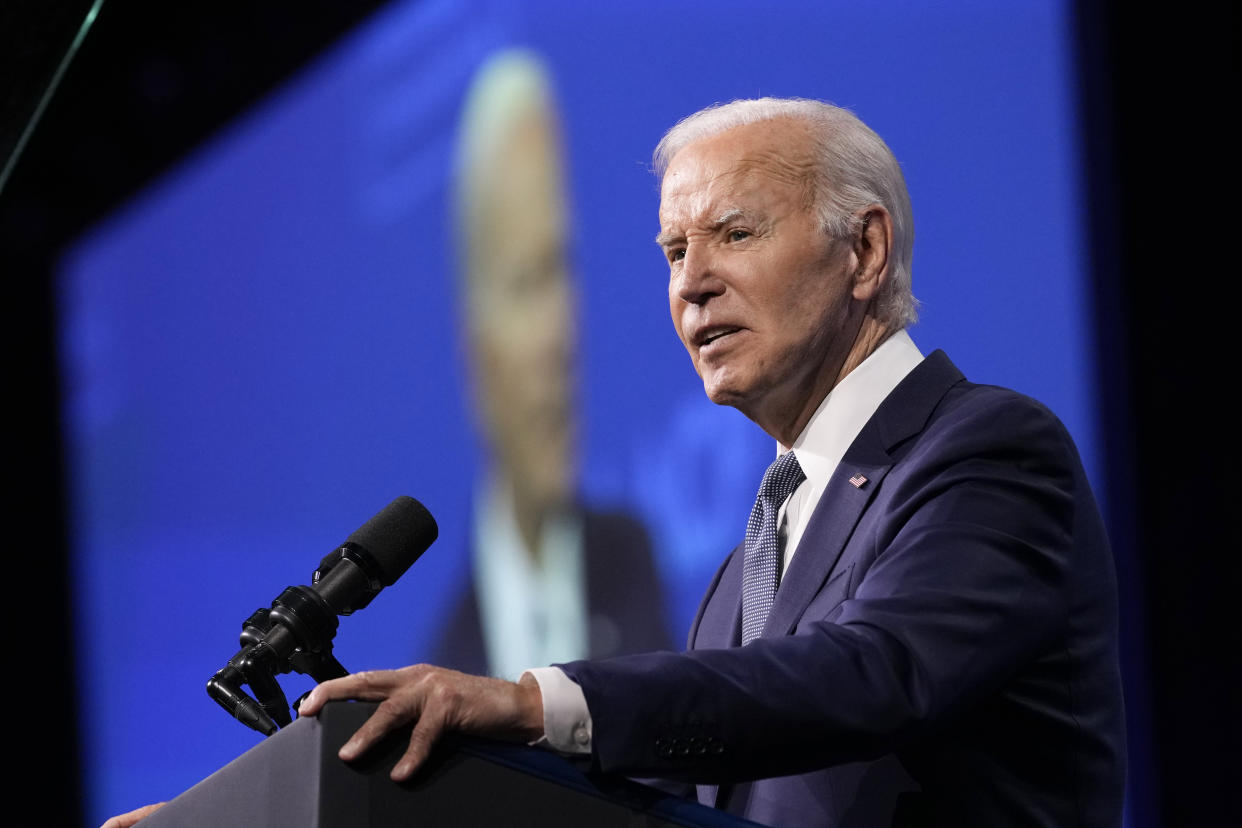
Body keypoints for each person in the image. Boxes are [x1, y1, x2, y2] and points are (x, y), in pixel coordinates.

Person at [107, 97, 1126, 827]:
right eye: (673, 251)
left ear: (864, 252)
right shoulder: (741, 570)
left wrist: (530, 701)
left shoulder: (985, 449)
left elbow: (873, 676)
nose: (692, 286)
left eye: (732, 233)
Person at [434, 48, 671, 679]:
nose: (562, 334)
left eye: (564, 271)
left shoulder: (634, 571)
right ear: (475, 361)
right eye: (527, 284)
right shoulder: (443, 665)